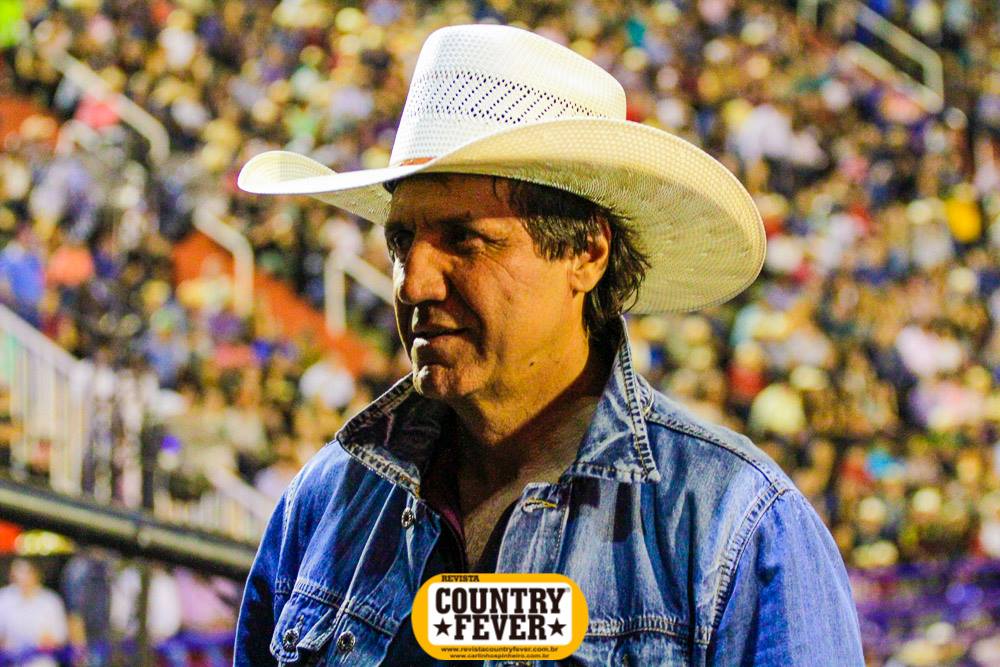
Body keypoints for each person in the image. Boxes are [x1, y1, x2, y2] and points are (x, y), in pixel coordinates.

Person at [234, 24, 864, 666]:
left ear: (587, 252)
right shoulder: (327, 501)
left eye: (465, 239)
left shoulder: (733, 524)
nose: (413, 283)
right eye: (401, 242)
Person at [0, 558, 68, 667]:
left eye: (27, 572)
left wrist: (44, 644)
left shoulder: (50, 600)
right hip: (10, 661)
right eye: (19, 572)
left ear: (36, 574)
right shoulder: (4, 598)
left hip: (42, 661)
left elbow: (60, 636)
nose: (23, 577)